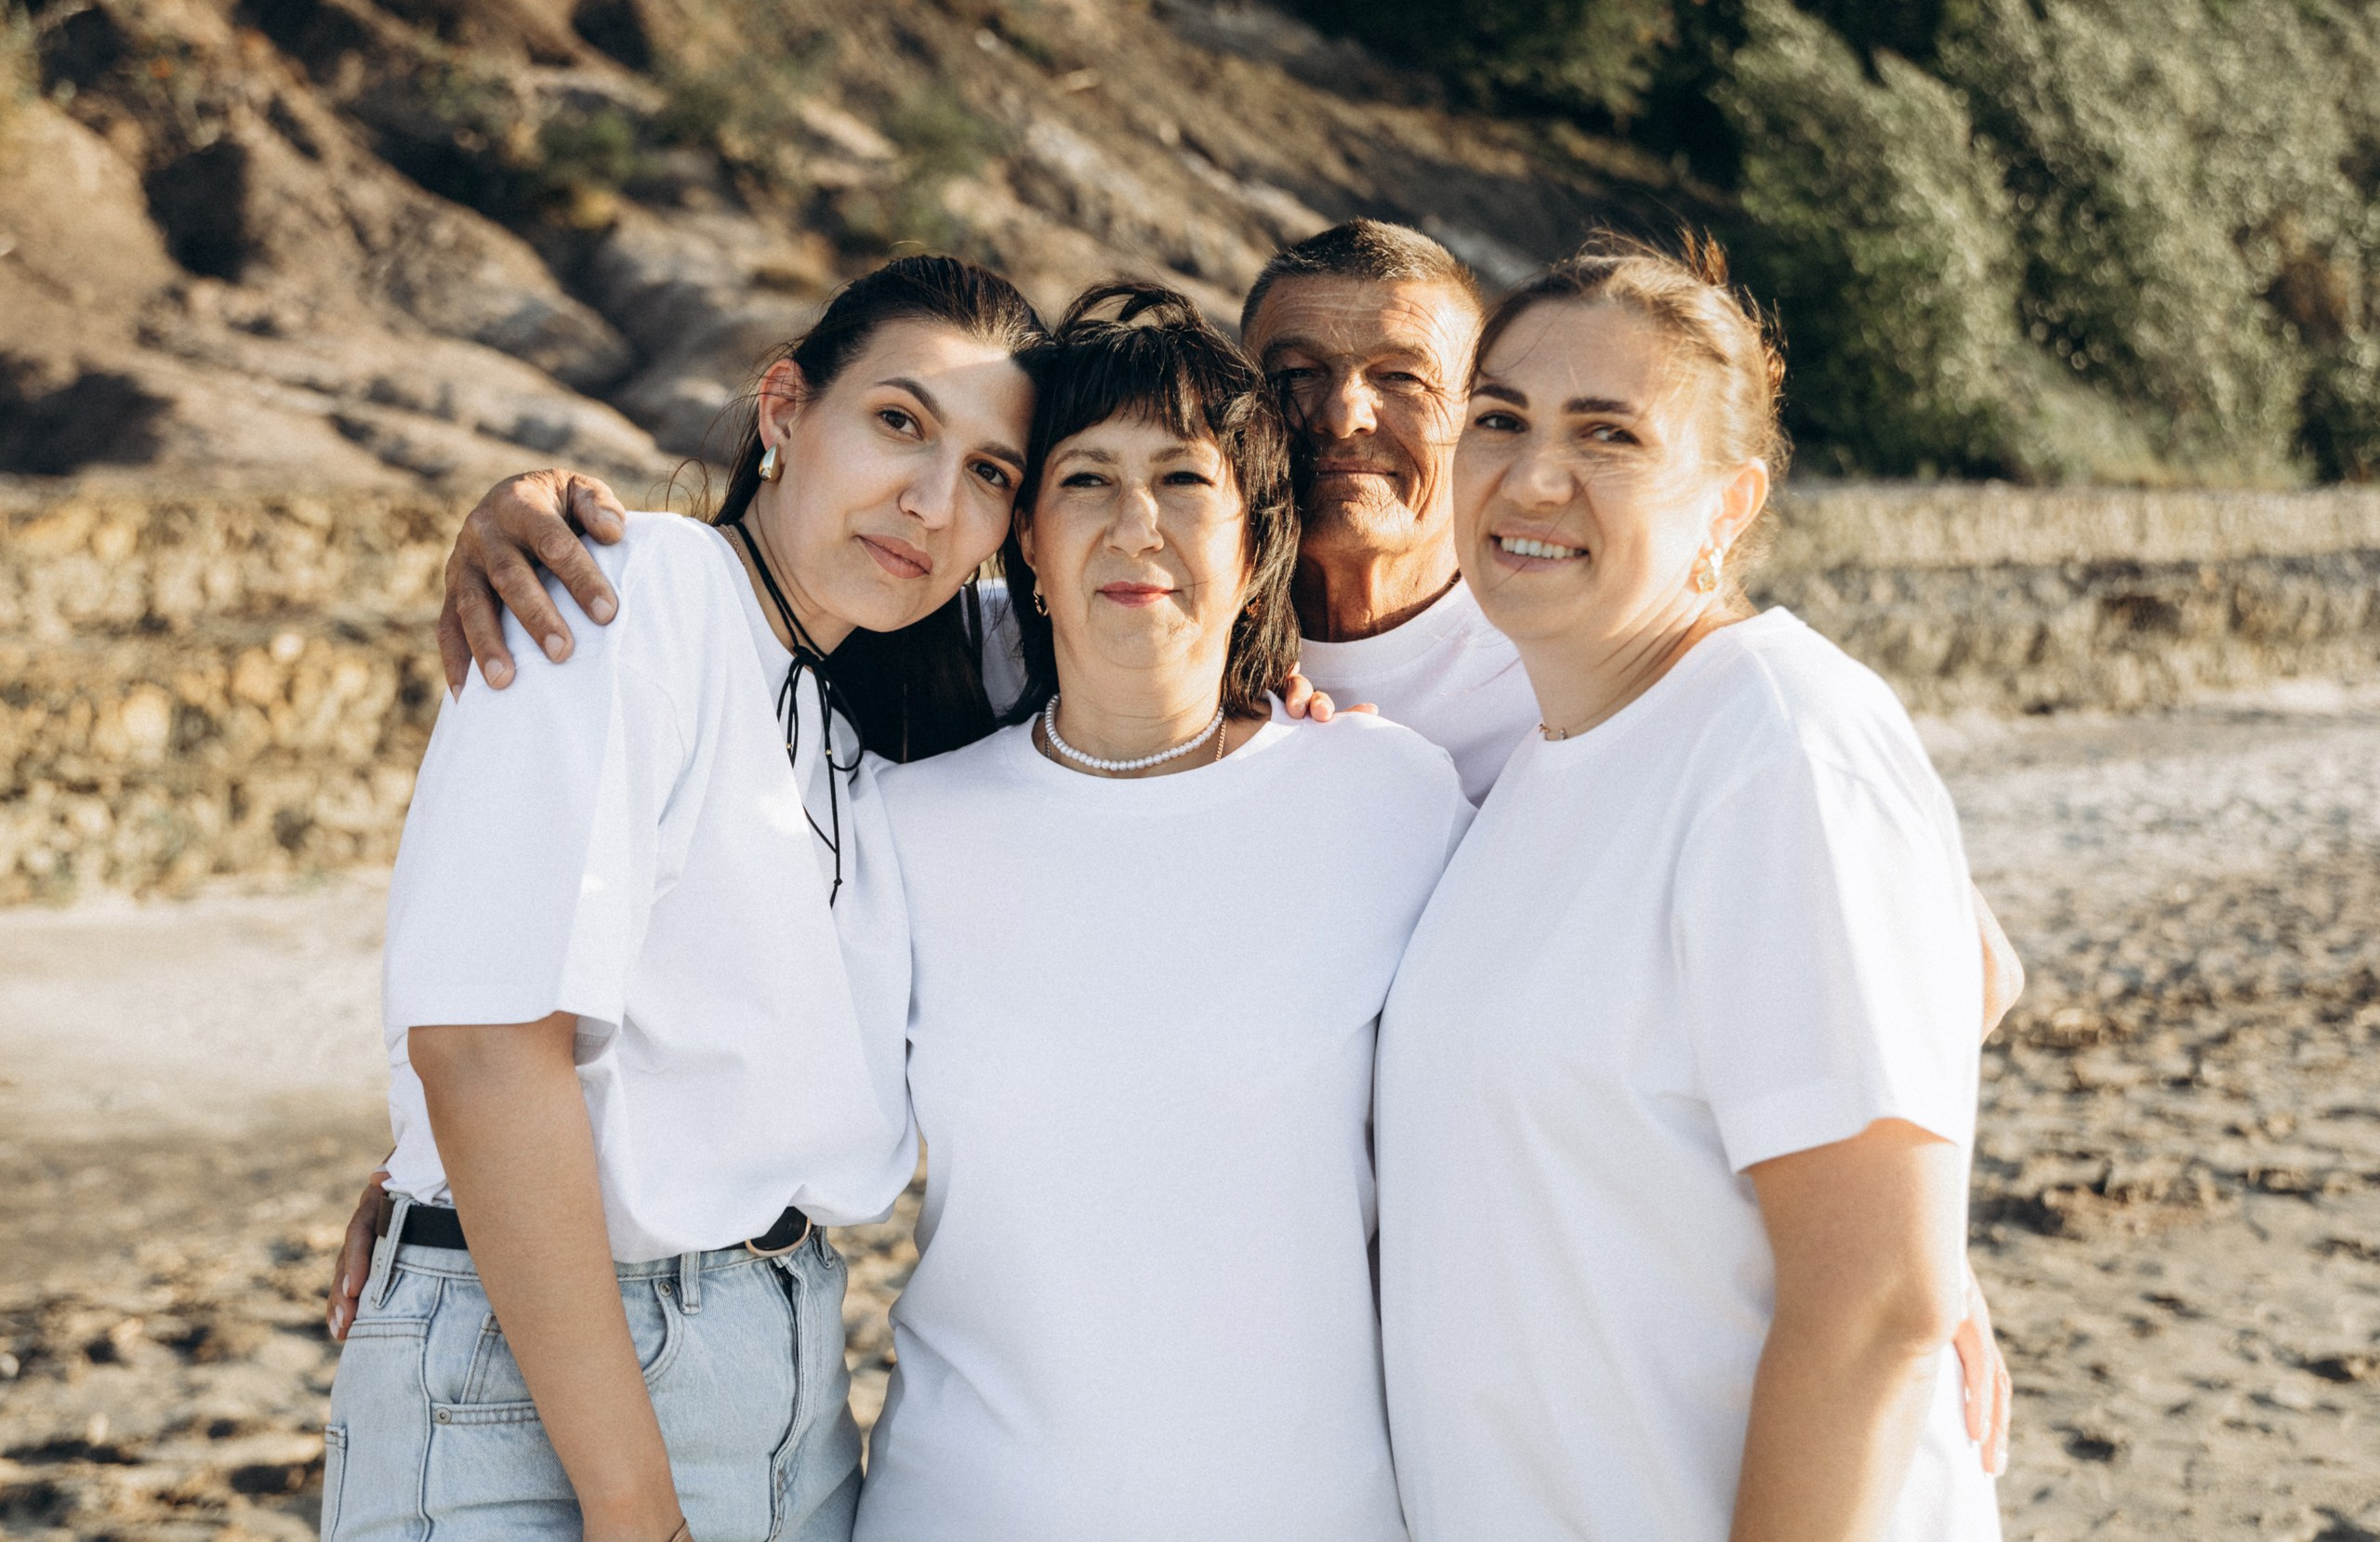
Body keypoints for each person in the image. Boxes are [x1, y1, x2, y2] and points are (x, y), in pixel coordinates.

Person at [397, 221, 2014, 1460]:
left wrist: (1911, 1255)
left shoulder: (1558, 667)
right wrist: (439, 1169)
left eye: (1408, 382)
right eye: (1294, 377)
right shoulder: (1028, 671)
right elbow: (706, 904)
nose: (1345, 415)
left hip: (1532, 1414)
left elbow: (1908, 961)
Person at [324, 256, 1042, 1542]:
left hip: (788, 1374)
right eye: (899, 422)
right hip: (549, 1388)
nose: (933, 502)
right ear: (784, 411)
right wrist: (631, 1502)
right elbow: (485, 1049)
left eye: (991, 472)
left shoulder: (873, 702)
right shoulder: (635, 593)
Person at [1376, 235, 2003, 1540]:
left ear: (1728, 506)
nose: (1533, 476)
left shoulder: (1780, 739)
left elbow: (1881, 1305)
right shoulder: (1544, 766)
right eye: (1501, 419)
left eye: (1607, 436)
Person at [853, 284, 1470, 1539]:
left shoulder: (1388, 800)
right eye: (1086, 481)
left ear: (1257, 540)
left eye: (1184, 481)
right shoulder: (907, 826)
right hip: (972, 1509)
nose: (1136, 524)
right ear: (1029, 543)